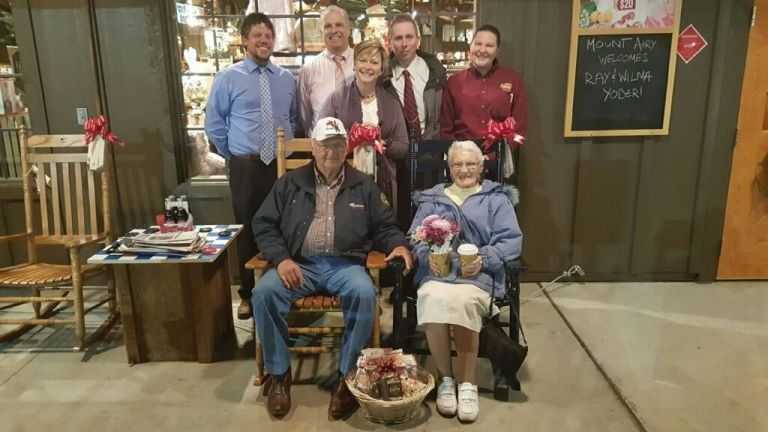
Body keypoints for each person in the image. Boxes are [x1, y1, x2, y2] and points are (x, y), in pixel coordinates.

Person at [251, 117, 414, 420]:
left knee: (364, 293)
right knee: (263, 293)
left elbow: (385, 226)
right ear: (314, 147)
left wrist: (398, 244)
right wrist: (281, 258)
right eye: (325, 145)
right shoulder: (289, 183)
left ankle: (347, 378)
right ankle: (279, 375)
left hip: (345, 264)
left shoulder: (363, 184)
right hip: (299, 264)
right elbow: (263, 224)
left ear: (347, 149)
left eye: (338, 145)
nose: (331, 152)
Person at [408, 140, 522, 423]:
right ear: (449, 167)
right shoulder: (432, 199)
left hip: (477, 275)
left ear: (482, 167)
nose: (464, 170)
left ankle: (467, 383)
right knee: (431, 297)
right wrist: (426, 255)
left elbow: (511, 242)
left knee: (462, 301)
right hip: (439, 273)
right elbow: (414, 237)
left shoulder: (496, 199)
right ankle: (446, 379)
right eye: (458, 164)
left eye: (471, 164)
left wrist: (485, 259)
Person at [205, 13, 298, 320]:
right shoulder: (227, 78)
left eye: (268, 35)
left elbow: (294, 119)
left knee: (285, 225)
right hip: (246, 165)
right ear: (245, 40)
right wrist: (233, 154)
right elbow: (214, 124)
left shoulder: (286, 79)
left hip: (280, 166)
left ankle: (284, 286)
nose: (263, 40)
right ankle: (247, 294)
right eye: (256, 35)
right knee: (246, 227)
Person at [317, 38, 408, 217]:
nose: (368, 66)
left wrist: (382, 143)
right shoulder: (337, 98)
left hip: (383, 181)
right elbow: (320, 136)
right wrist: (348, 142)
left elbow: (403, 147)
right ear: (355, 63)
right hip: (342, 179)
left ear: (381, 69)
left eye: (374, 62)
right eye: (363, 60)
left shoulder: (391, 101)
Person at [384, 13, 447, 228]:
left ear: (418, 40)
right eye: (398, 38)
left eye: (409, 37)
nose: (404, 43)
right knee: (401, 217)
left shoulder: (435, 72)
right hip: (397, 159)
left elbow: (443, 115)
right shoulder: (383, 76)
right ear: (390, 42)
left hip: (430, 154)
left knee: (430, 218)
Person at [440, 25, 528, 144]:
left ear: (497, 51)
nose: (482, 50)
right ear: (470, 47)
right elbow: (445, 131)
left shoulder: (514, 80)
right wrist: (461, 157)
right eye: (478, 44)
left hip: (500, 158)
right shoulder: (454, 82)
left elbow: (519, 133)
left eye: (489, 46)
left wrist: (496, 155)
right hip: (462, 159)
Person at [298, 5, 355, 135]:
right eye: (327, 26)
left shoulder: (363, 63)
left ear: (349, 30)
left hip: (358, 147)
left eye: (339, 25)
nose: (334, 30)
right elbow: (304, 117)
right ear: (321, 33)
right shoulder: (308, 69)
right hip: (320, 148)